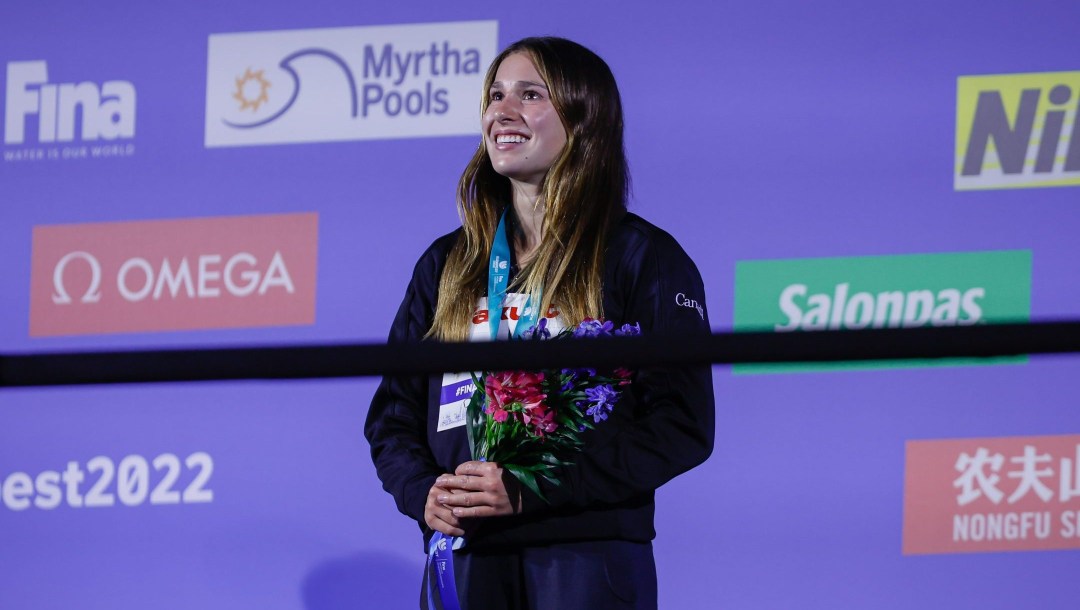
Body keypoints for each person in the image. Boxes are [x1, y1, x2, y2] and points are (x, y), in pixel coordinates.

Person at [365, 37, 715, 610]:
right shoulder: (447, 264)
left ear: (584, 118)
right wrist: (423, 491)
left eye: (530, 95)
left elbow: (682, 424)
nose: (501, 111)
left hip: (583, 555)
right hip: (464, 553)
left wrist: (534, 488)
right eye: (496, 95)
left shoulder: (639, 257)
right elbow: (392, 415)